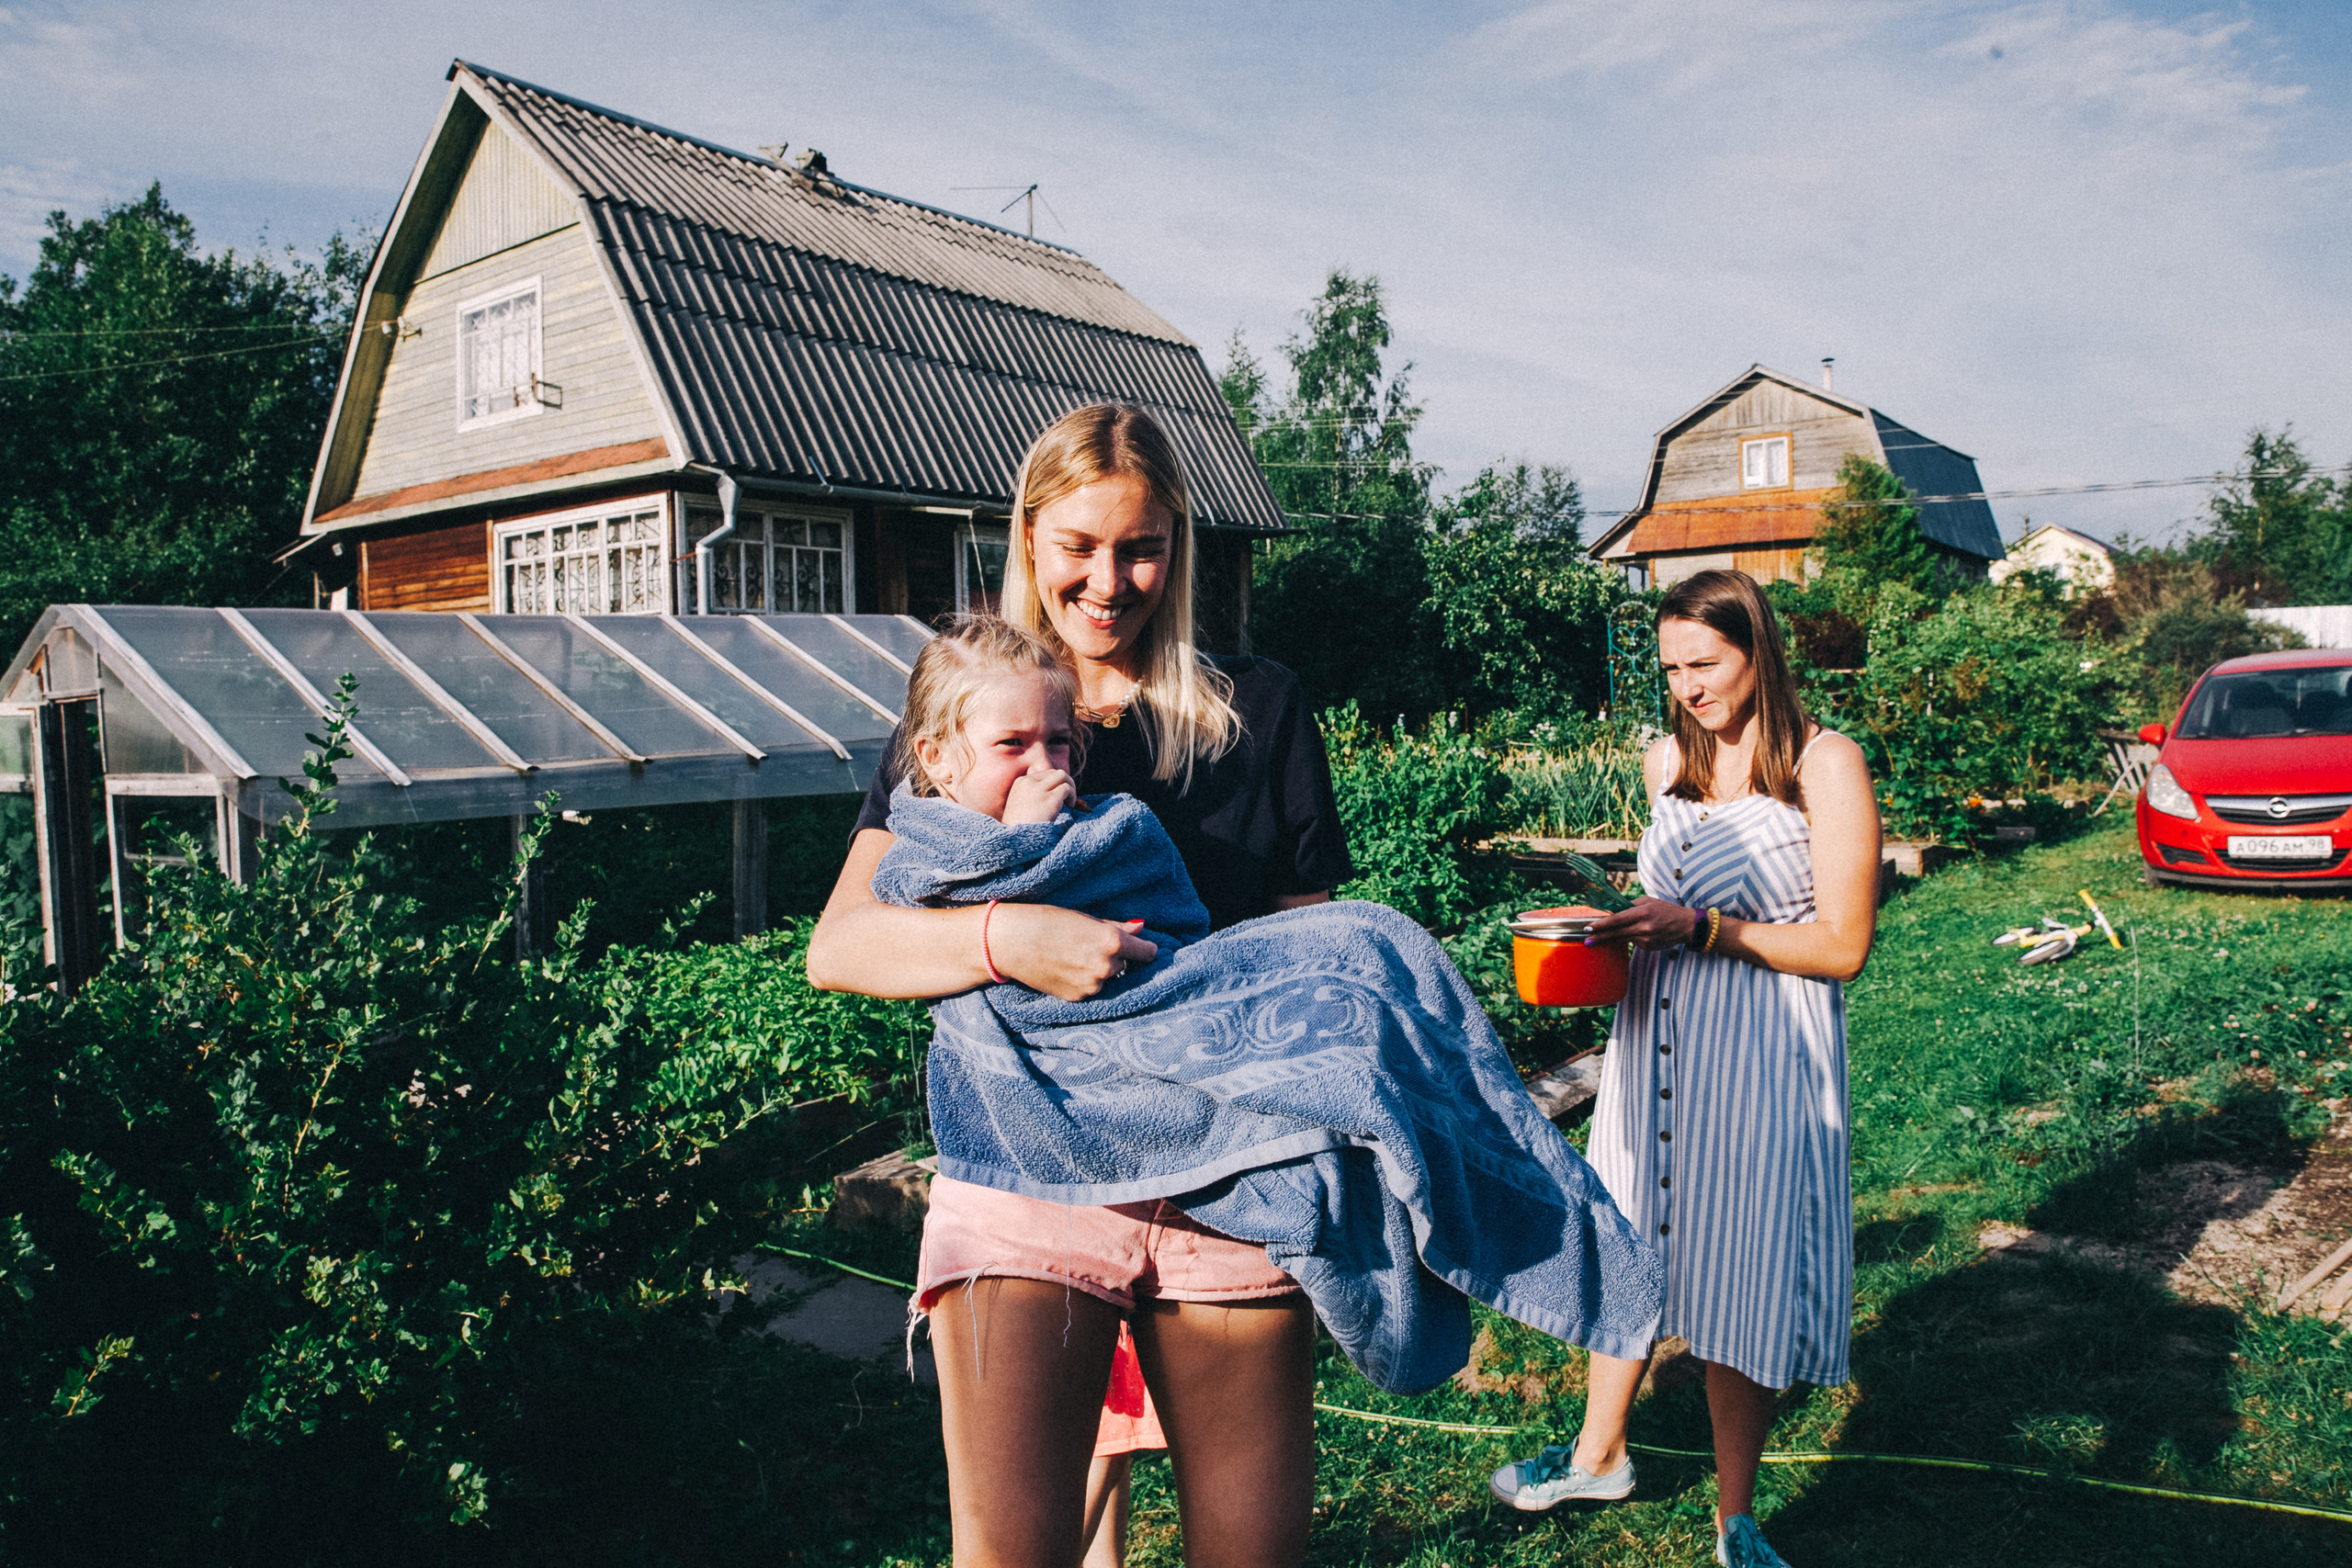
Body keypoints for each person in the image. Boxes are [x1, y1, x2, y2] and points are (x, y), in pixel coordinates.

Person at [808, 401, 1352, 1568]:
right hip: (1031, 1166)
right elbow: (842, 944)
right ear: (1029, 537)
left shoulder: (1259, 709)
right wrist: (1010, 940)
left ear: (1180, 547)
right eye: (1079, 547)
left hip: (1224, 1177)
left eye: (1141, 546)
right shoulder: (973, 707)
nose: (1110, 581)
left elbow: (1309, 958)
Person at [1487, 570, 1881, 1568]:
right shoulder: (1669, 756)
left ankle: (1735, 1518)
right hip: (1653, 1042)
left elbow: (1841, 946)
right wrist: (1601, 940)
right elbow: (1668, 904)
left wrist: (1701, 929)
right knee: (1630, 1246)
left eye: (1703, 663)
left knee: (1737, 1268)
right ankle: (1599, 1450)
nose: (1688, 687)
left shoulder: (1825, 765)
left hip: (1760, 1054)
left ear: (1757, 650)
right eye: (1671, 670)